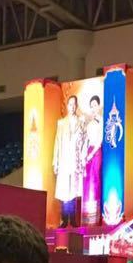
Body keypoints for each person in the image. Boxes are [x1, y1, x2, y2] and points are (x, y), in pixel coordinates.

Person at [54, 94, 85, 227]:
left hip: (75, 160)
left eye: (74, 104)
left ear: (76, 106)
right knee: (64, 191)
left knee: (73, 190)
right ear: (67, 106)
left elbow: (84, 141)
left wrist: (82, 159)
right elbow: (57, 142)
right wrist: (55, 161)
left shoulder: (81, 122)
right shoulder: (61, 123)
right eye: (70, 104)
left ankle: (72, 218)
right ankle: (64, 219)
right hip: (64, 159)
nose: (72, 107)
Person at [82, 95, 103, 224]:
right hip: (89, 151)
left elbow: (99, 140)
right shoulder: (89, 124)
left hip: (96, 151)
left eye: (95, 105)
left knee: (95, 179)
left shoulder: (102, 121)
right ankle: (87, 215)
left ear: (99, 106)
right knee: (87, 181)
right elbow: (86, 140)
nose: (93, 108)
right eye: (91, 106)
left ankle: (96, 215)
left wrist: (92, 154)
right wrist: (85, 155)